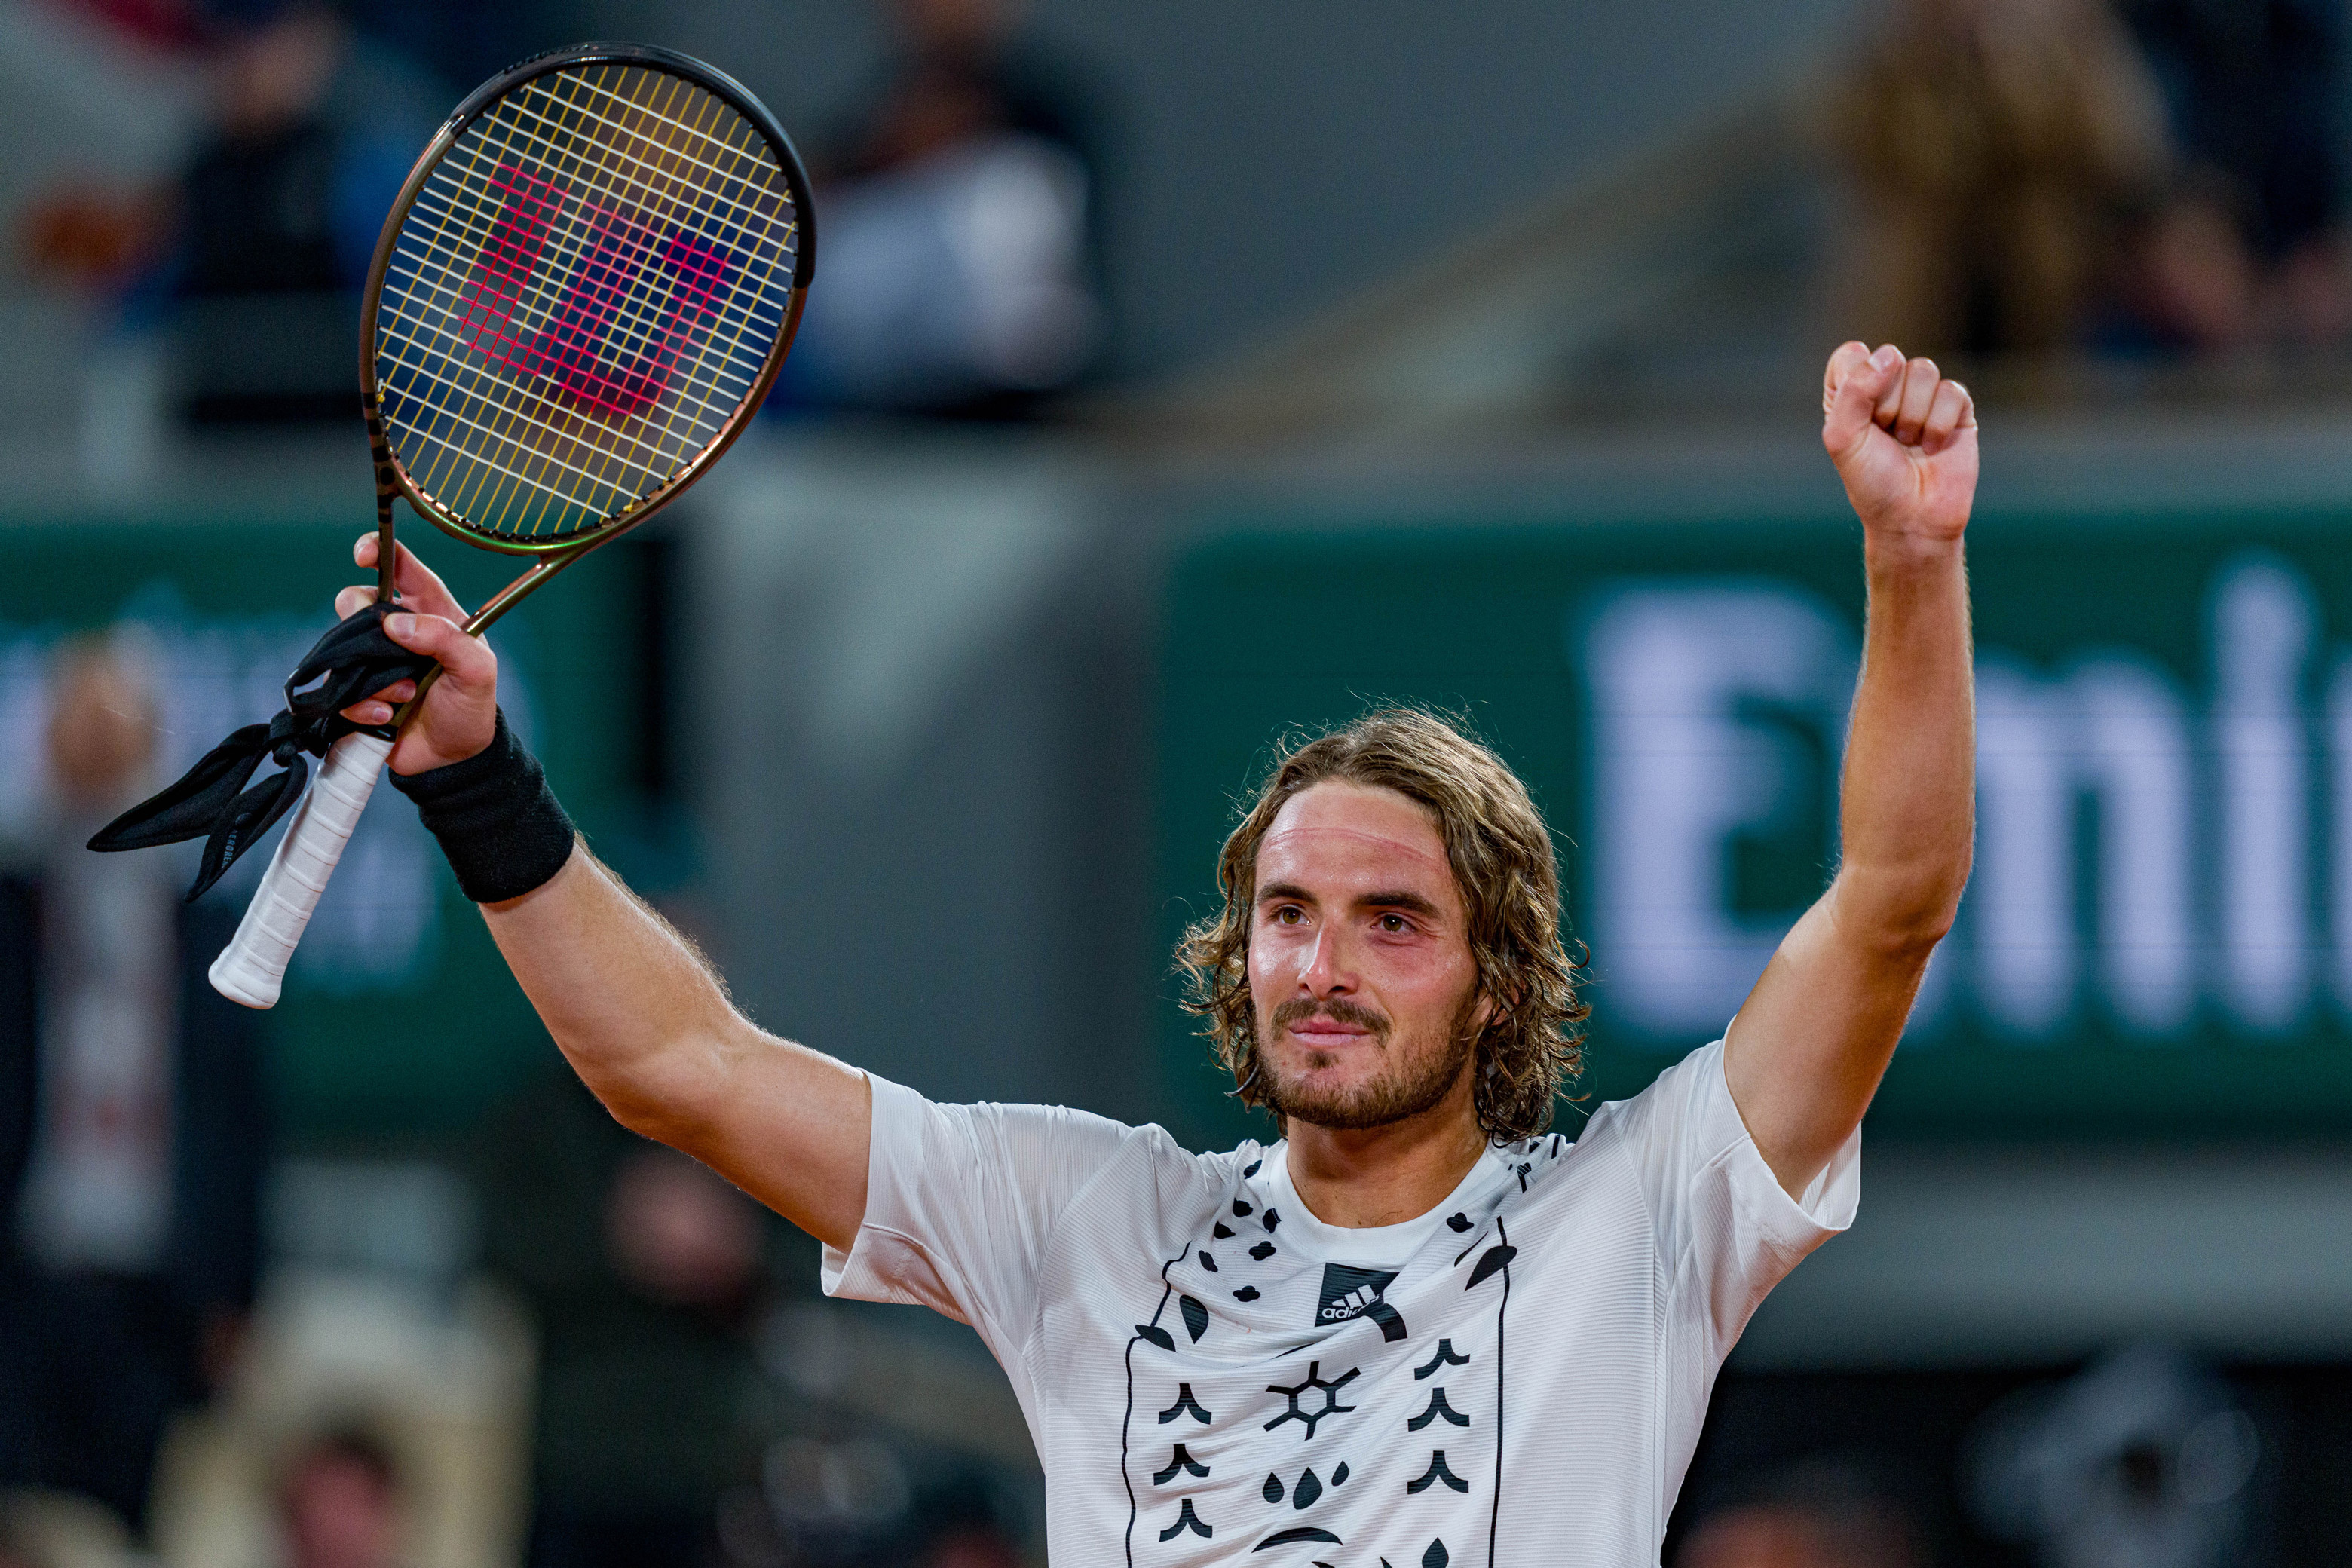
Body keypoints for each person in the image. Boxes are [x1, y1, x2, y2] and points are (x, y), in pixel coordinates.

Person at [330, 342, 1977, 1563]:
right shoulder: (1092, 1218)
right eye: (1287, 912)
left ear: (1501, 974)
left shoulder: (1635, 1215)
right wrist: (482, 782)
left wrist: (1911, 564)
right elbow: (677, 1067)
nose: (1324, 962)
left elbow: (1892, 898)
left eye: (1393, 919)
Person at [0, 639, 269, 1537]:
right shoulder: (15, 909)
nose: (96, 750)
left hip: (159, 1294)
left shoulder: (203, 919)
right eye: (78, 727)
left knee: (141, 1527)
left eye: (116, 727)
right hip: (28, 1276)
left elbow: (242, 1115)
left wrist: (238, 1292)